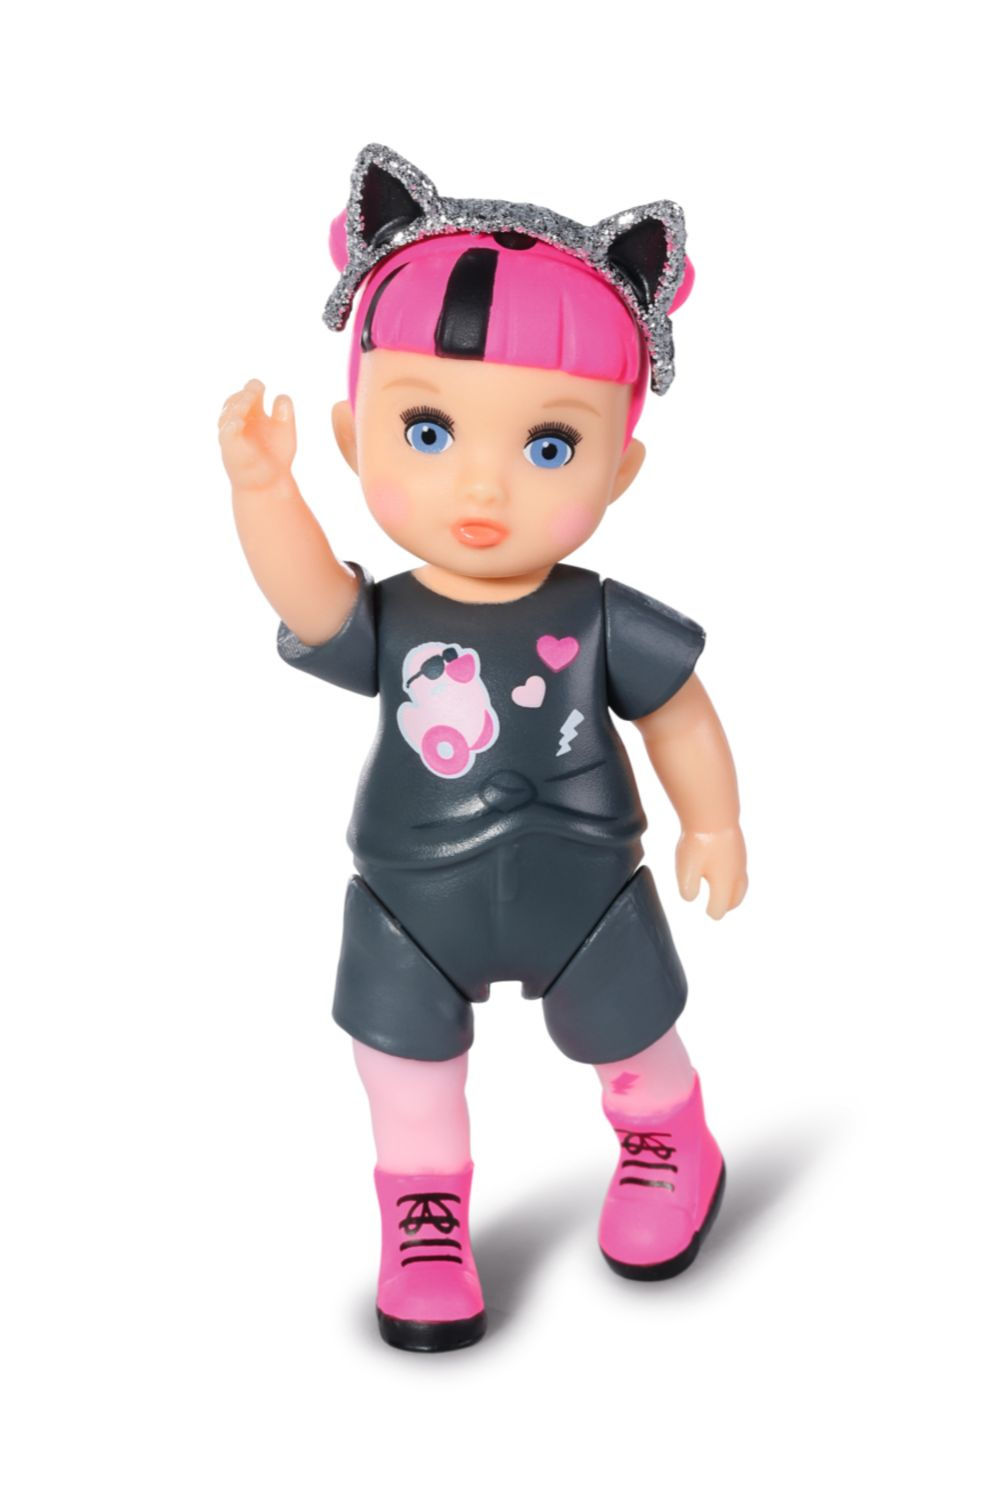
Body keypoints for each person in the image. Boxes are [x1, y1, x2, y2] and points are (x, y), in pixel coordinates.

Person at [218, 145, 748, 1353]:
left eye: (547, 446)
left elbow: (678, 708)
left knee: (632, 1033)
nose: (482, 487)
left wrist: (713, 821)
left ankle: (667, 1135)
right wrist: (262, 492)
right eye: (427, 428)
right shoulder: (394, 614)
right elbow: (311, 602)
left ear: (621, 464)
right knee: (402, 1067)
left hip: (587, 891)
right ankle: (423, 1212)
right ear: (354, 436)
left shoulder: (600, 615)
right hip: (412, 899)